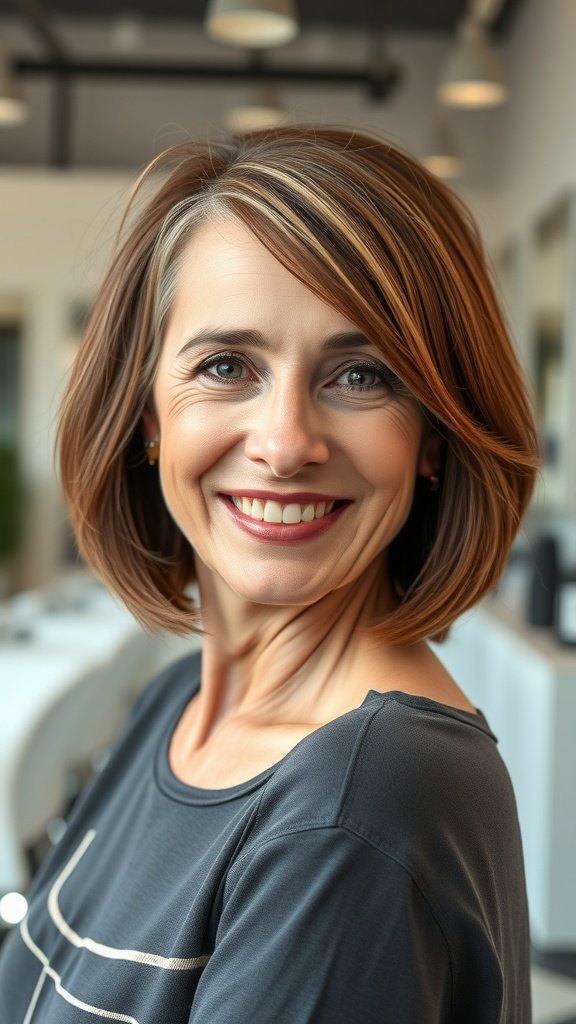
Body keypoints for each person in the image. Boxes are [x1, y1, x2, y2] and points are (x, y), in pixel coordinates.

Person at [0, 126, 538, 1023]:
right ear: (146, 416)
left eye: (361, 375)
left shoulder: (359, 804)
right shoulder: (171, 705)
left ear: (435, 435)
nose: (286, 443)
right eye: (225, 366)